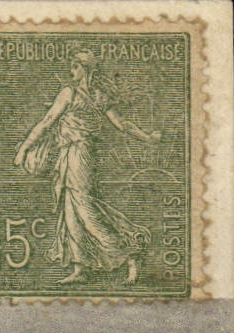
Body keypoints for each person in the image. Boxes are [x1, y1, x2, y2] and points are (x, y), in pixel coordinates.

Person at [14, 50, 162, 284]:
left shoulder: (70, 93)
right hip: (73, 154)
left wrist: (24, 148)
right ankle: (80, 268)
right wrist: (147, 137)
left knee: (83, 208)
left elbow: (48, 121)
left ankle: (129, 251)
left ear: (86, 69)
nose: (71, 71)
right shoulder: (98, 96)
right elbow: (122, 124)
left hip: (79, 154)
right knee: (71, 209)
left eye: (75, 66)